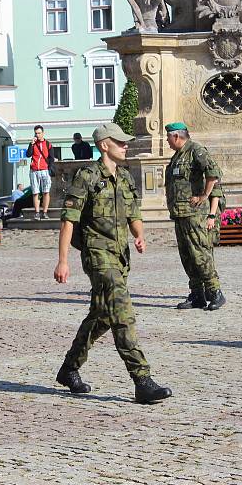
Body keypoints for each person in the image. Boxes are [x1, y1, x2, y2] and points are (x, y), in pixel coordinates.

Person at [54, 122, 172, 404]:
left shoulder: (125, 177)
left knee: (101, 316)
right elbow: (68, 220)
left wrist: (140, 236)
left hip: (120, 256)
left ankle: (69, 369)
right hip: (97, 256)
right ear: (104, 145)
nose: (125, 145)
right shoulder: (87, 177)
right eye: (120, 142)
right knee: (122, 312)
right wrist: (62, 261)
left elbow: (134, 214)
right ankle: (142, 380)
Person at [164, 122, 226, 311]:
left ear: (176, 136)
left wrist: (204, 197)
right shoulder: (178, 156)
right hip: (180, 214)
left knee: (200, 255)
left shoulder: (195, 151)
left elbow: (213, 173)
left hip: (194, 215)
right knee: (188, 257)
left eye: (168, 137)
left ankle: (215, 292)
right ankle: (197, 294)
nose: (167, 140)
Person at [26, 125, 53, 220]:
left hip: (44, 170)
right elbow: (28, 154)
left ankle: (45, 212)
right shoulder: (33, 144)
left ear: (43, 133)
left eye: (39, 133)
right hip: (34, 171)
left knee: (46, 191)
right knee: (35, 192)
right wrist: (31, 144)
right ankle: (37, 212)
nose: (37, 135)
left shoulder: (48, 144)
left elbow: (51, 158)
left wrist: (49, 167)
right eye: (36, 133)